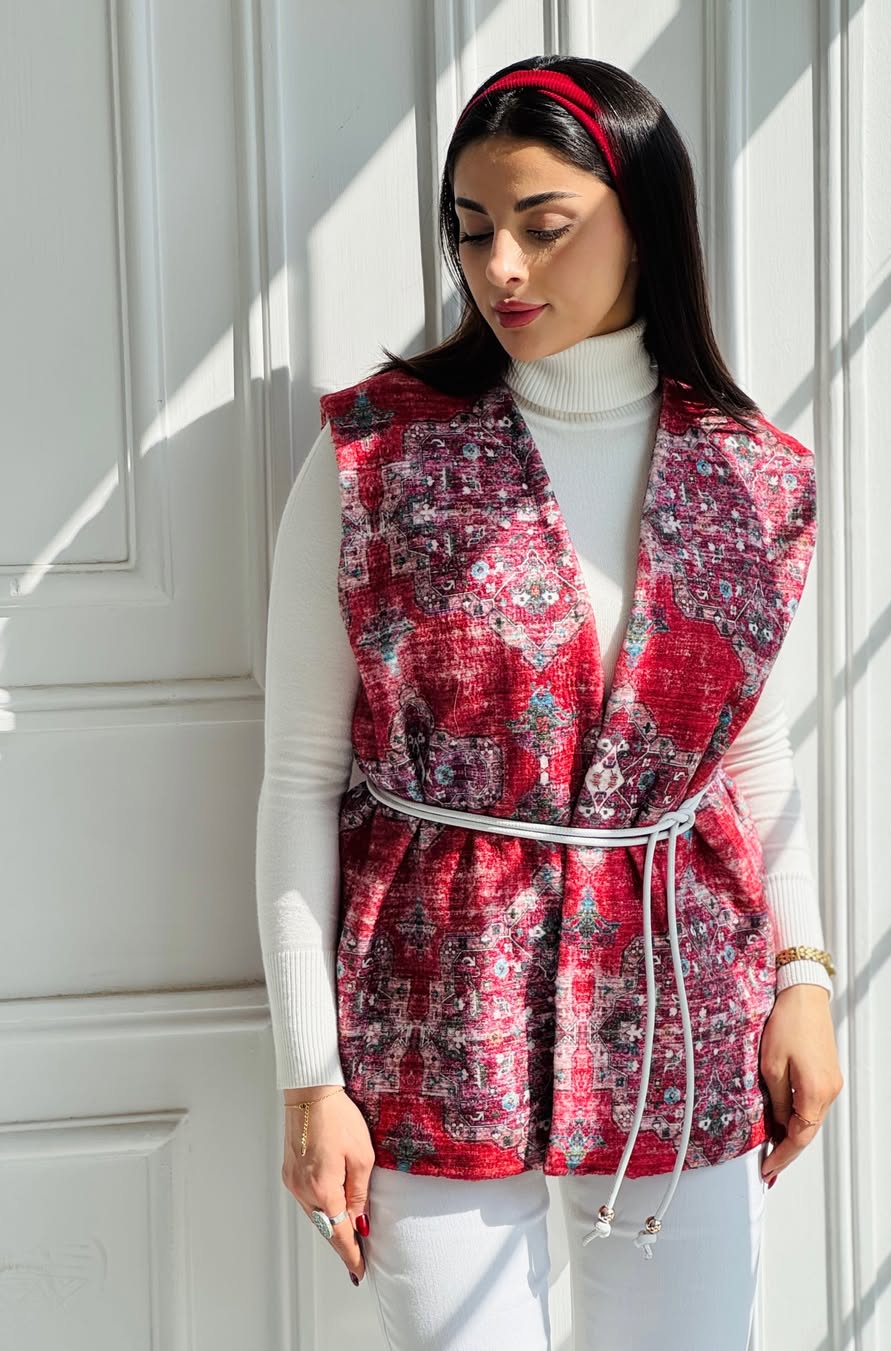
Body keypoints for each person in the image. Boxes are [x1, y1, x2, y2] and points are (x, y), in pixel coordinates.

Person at [257, 54, 843, 1350]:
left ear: (647, 218)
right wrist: (308, 1078)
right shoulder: (377, 457)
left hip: (683, 997)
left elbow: (754, 755)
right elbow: (298, 776)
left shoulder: (755, 476)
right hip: (432, 1005)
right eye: (472, 231)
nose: (501, 268)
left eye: (544, 224)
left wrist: (804, 976)